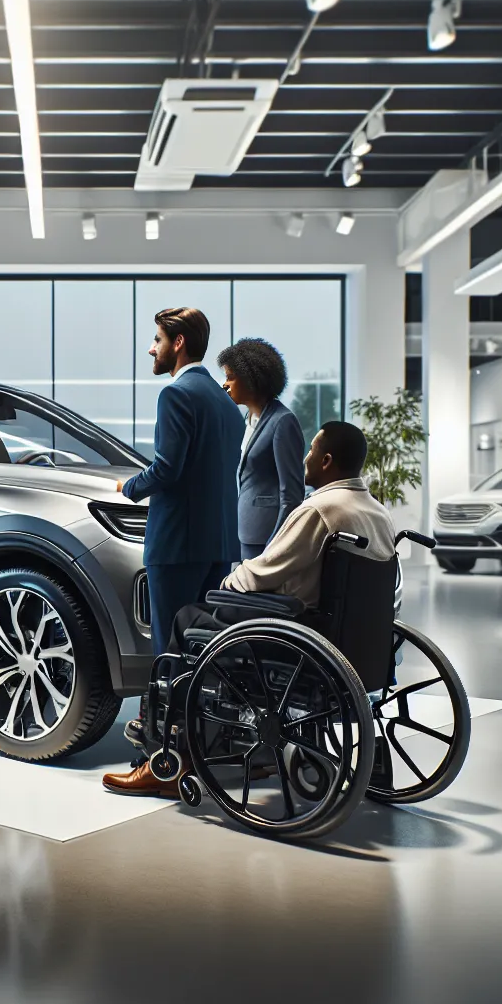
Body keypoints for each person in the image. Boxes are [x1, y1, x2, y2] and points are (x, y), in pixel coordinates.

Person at [104, 421, 395, 798]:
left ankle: (171, 759)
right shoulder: (377, 513)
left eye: (311, 451)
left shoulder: (321, 510)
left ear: (326, 461)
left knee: (187, 620)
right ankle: (249, 752)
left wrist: (228, 584)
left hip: (295, 634)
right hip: (352, 641)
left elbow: (265, 570)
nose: (305, 458)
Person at [115, 307, 243, 658]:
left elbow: (167, 470)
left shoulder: (176, 395)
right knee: (204, 648)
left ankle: (168, 714)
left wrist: (128, 487)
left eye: (158, 339)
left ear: (179, 342)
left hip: (176, 546)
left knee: (170, 647)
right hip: (219, 546)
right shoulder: (228, 405)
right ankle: (195, 714)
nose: (152, 348)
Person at [217, 338, 305, 561]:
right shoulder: (248, 419)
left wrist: (276, 542)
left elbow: (292, 494)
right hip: (245, 532)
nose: (225, 384)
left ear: (251, 378)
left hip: (267, 538)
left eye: (230, 377)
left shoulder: (283, 422)